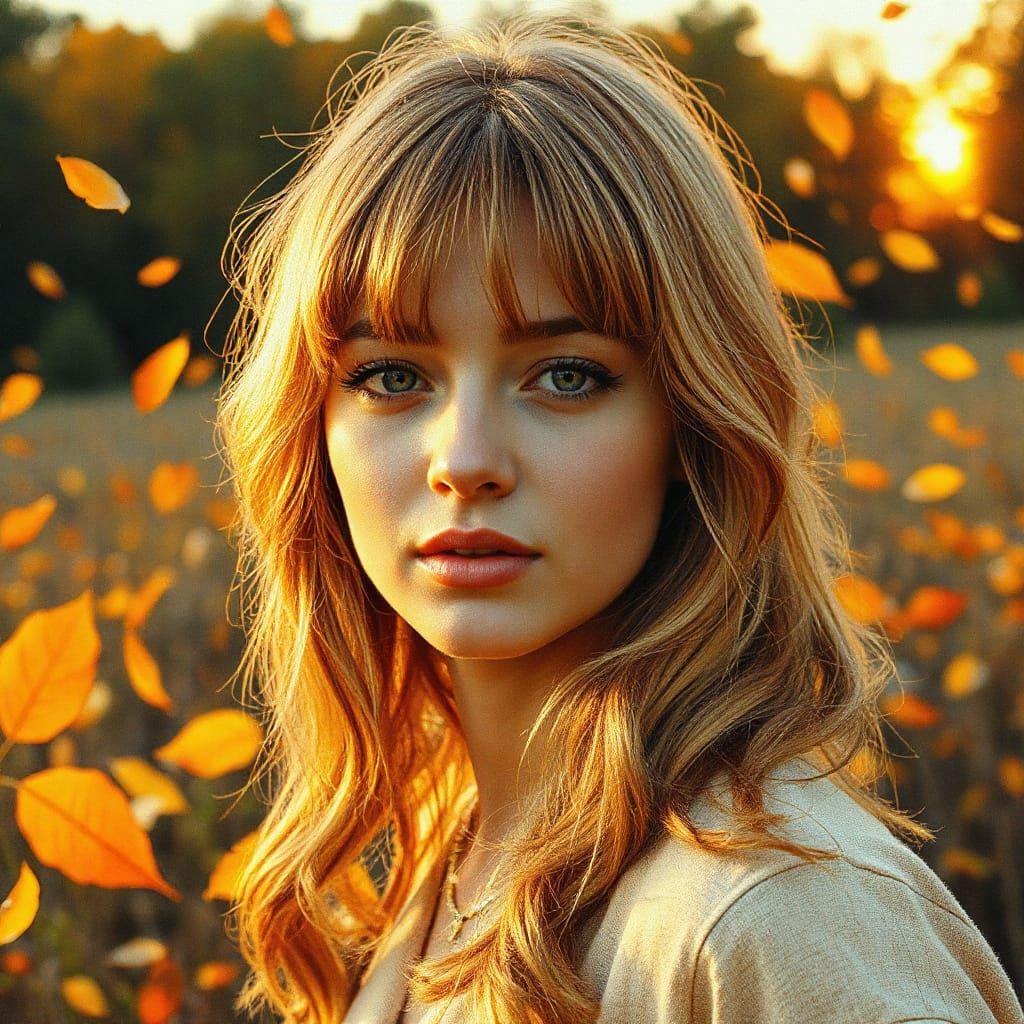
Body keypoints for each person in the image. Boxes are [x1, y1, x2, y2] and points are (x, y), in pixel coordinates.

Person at [213, 10, 1024, 1024]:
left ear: (694, 421)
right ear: (310, 428)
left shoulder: (770, 919)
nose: (464, 461)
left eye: (565, 374)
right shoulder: (456, 856)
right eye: (389, 375)